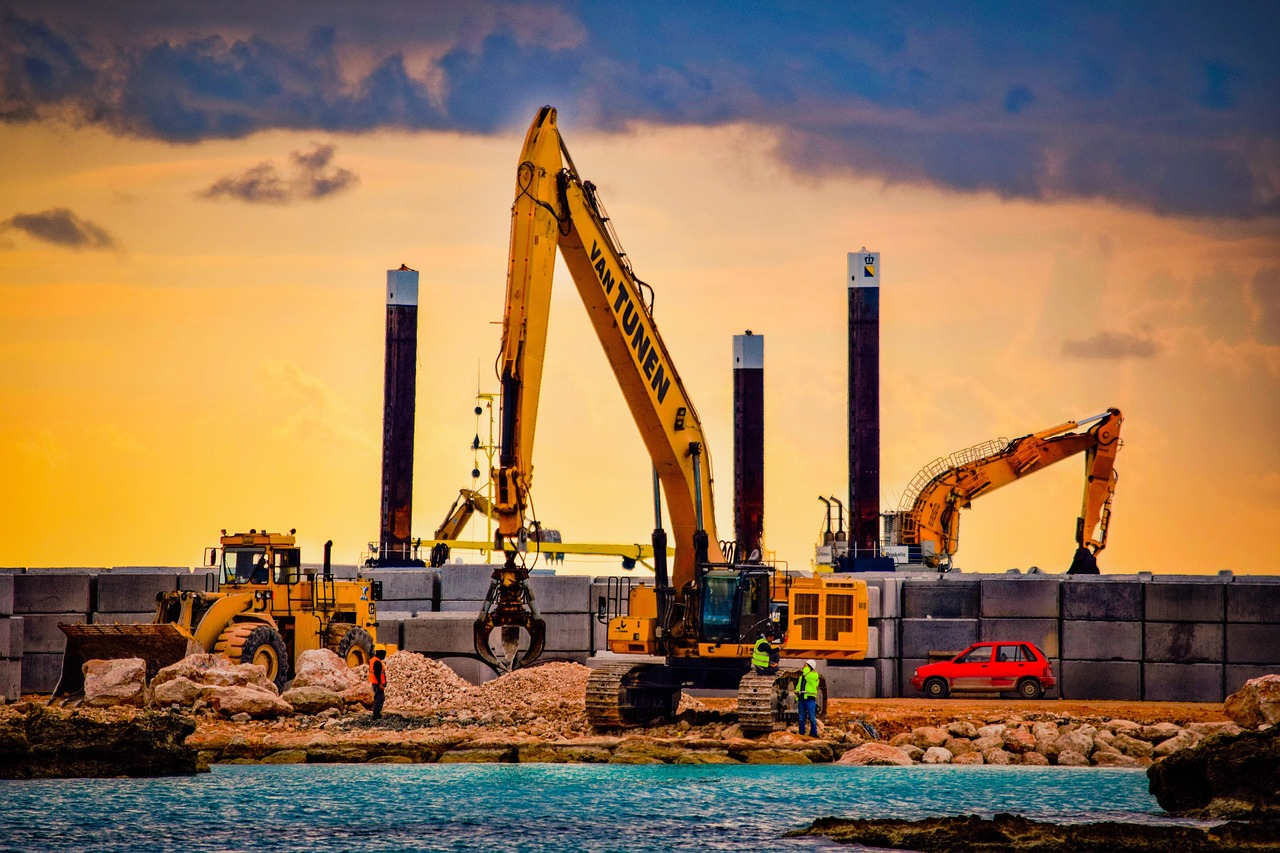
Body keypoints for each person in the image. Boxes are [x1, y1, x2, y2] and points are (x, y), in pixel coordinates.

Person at [796, 660, 820, 737]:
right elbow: (799, 686)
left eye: (806, 665)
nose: (804, 666)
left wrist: (806, 669)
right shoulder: (802, 677)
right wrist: (797, 693)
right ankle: (801, 733)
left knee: (812, 717)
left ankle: (814, 734)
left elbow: (807, 676)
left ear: (810, 666)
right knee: (801, 718)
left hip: (810, 700)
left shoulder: (814, 675)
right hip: (802, 699)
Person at [369, 646, 388, 721]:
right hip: (377, 684)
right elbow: (377, 673)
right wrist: (380, 684)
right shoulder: (376, 662)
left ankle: (377, 714)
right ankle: (375, 715)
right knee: (378, 699)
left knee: (381, 698)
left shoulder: (375, 660)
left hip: (376, 683)